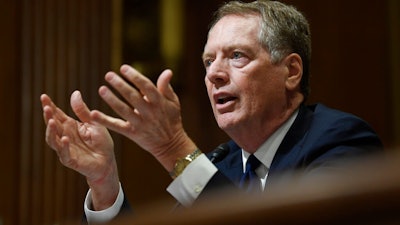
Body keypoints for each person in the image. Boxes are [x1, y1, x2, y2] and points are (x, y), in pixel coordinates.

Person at [41, 0, 383, 224]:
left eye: (237, 56)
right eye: (208, 60)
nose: (214, 74)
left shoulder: (342, 142)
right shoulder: (221, 165)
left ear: (291, 71)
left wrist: (173, 148)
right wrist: (104, 184)